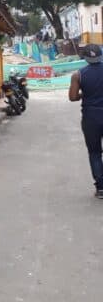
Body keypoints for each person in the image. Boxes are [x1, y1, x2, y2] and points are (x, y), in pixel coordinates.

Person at [69, 44, 103, 198]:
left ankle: (101, 187)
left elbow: (73, 97)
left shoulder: (78, 75)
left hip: (91, 118)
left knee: (95, 152)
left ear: (85, 57)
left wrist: (86, 94)